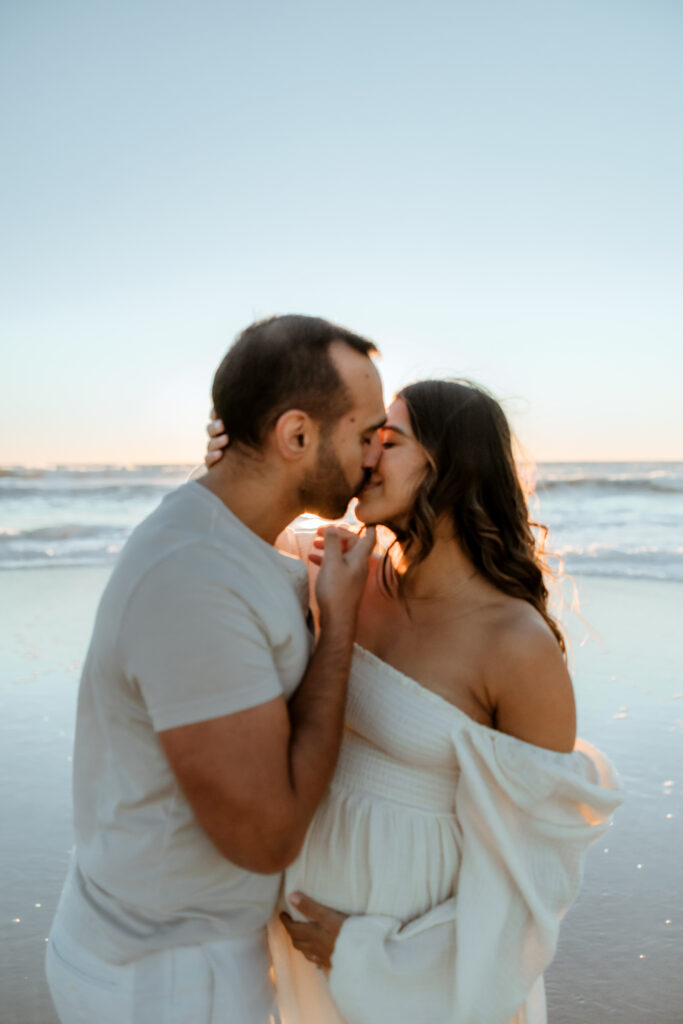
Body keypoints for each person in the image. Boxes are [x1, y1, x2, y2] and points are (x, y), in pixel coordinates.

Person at [206, 379, 623, 1024]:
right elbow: (219, 549)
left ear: (451, 466)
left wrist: (371, 952)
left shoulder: (516, 644)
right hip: (299, 941)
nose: (365, 456)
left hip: (421, 976)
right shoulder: (335, 567)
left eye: (388, 440)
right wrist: (242, 465)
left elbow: (536, 875)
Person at [45, 314, 387, 1024]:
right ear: (295, 436)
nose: (373, 459)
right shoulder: (192, 580)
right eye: (364, 435)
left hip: (183, 951)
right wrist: (339, 628)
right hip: (163, 980)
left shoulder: (234, 537)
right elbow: (266, 840)